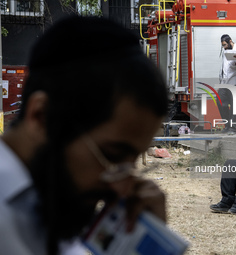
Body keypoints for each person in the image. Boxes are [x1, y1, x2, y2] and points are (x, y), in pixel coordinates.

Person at [0, 16, 168, 255]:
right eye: (112, 155)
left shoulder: (54, 206)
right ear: (41, 116)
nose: (122, 189)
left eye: (131, 165)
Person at [217, 34, 236, 135]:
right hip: (225, 82)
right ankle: (227, 125)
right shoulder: (225, 50)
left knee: (234, 105)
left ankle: (233, 128)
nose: (224, 47)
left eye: (225, 44)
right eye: (223, 45)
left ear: (230, 41)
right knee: (220, 102)